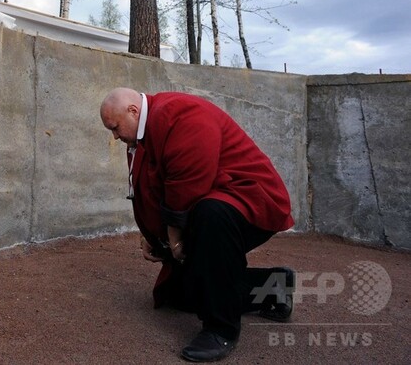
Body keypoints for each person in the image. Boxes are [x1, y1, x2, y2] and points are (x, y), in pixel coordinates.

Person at [99, 88, 295, 362]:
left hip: (252, 200)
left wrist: (175, 236)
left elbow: (188, 182)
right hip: (216, 204)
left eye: (115, 128)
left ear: (133, 111)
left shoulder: (179, 113)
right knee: (179, 293)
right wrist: (156, 240)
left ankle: (221, 329)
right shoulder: (143, 137)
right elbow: (151, 190)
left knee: (210, 213)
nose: (115, 136)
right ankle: (273, 287)